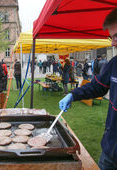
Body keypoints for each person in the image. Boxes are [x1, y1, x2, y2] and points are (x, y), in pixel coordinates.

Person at [59, 8, 117, 170]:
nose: (112, 43)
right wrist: (73, 94)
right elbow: (97, 87)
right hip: (110, 151)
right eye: (111, 37)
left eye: (116, 36)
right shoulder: (114, 64)